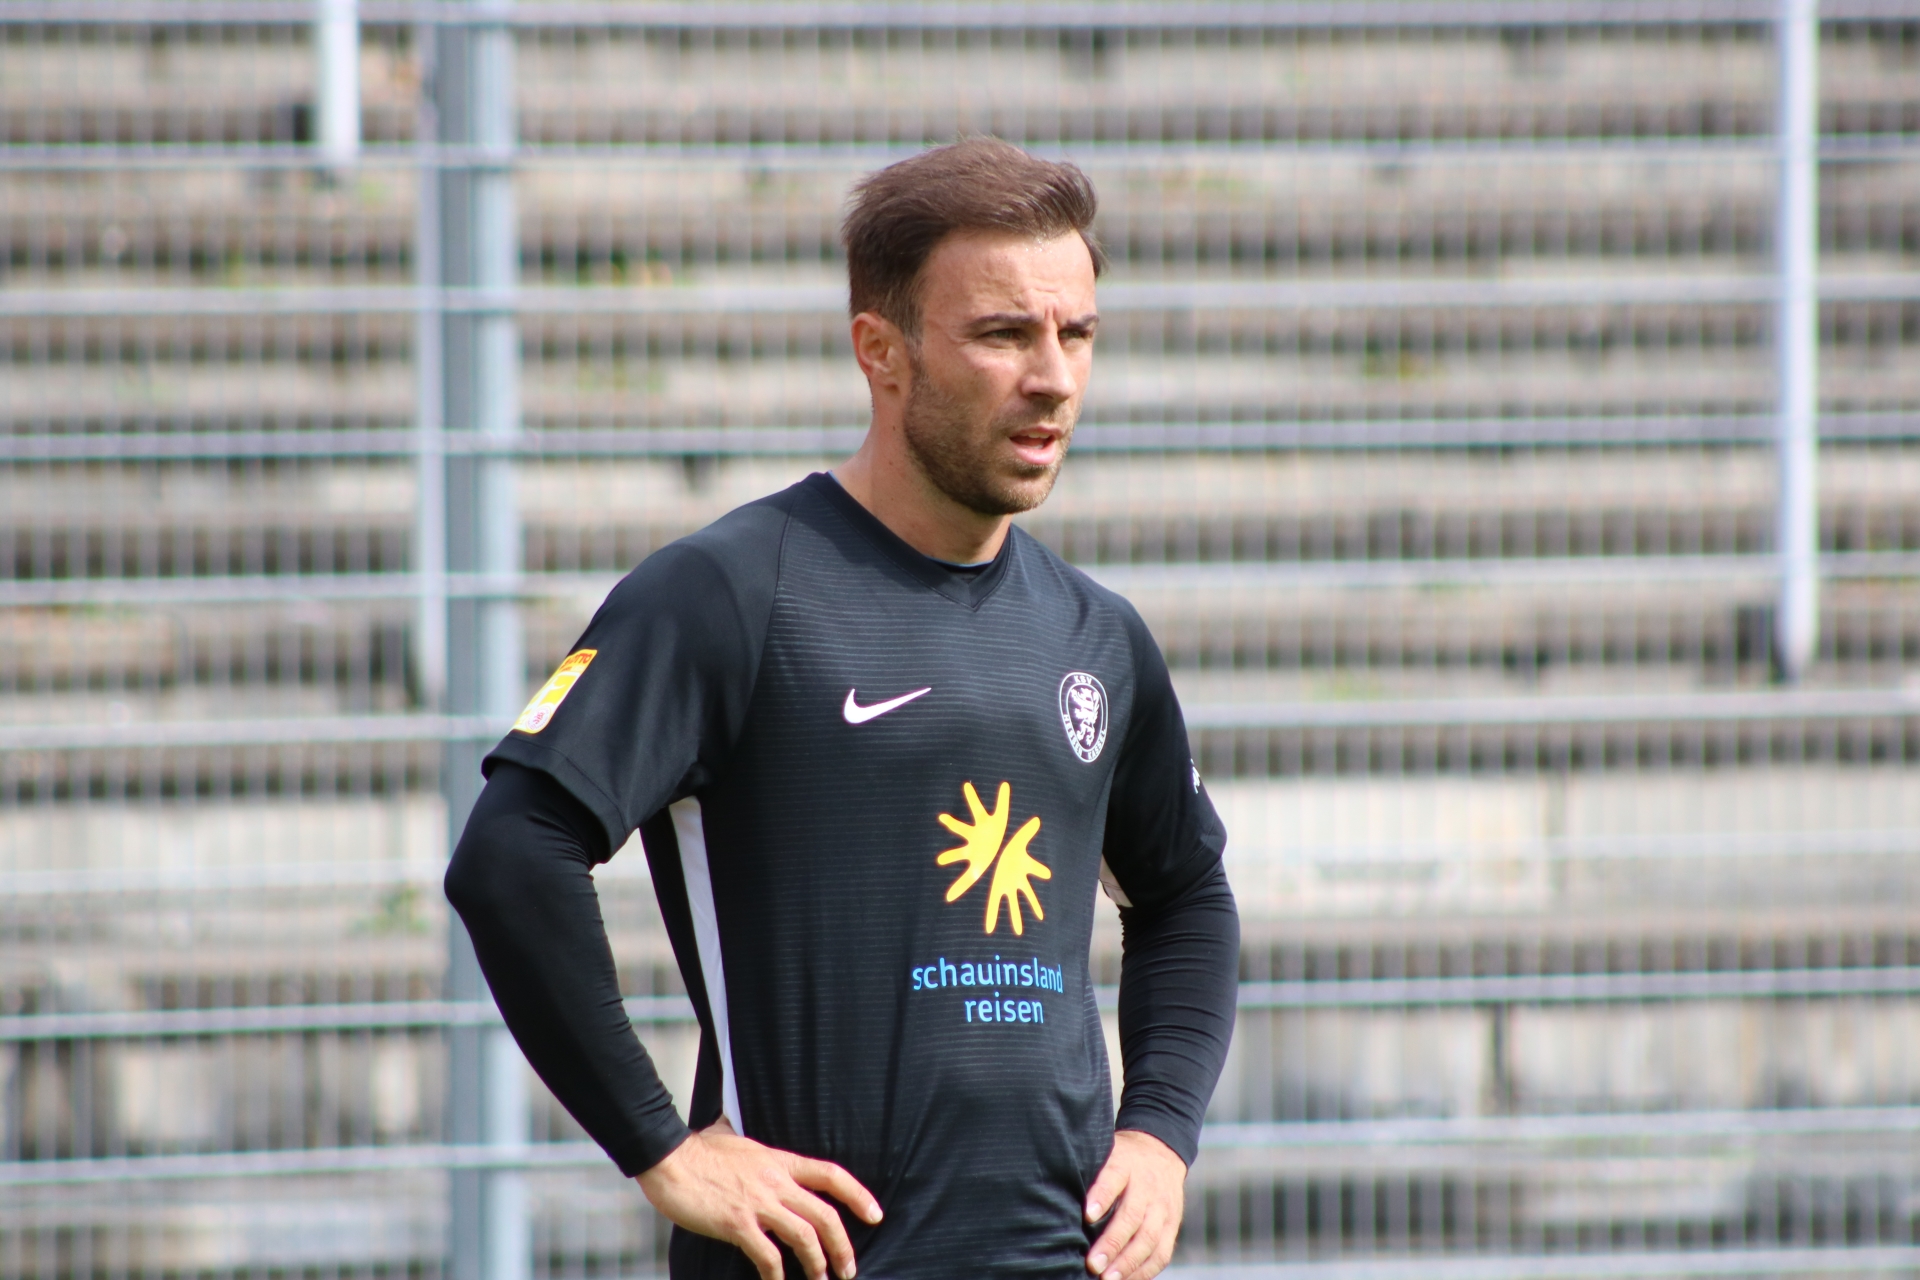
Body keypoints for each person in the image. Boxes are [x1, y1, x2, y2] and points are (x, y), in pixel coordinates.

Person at [445, 137, 1240, 1280]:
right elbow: (511, 854)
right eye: (1003, 334)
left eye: (1076, 333)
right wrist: (661, 1146)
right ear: (882, 351)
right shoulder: (732, 593)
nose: (1054, 377)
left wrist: (1160, 1130)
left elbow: (1187, 895)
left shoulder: (1097, 635)